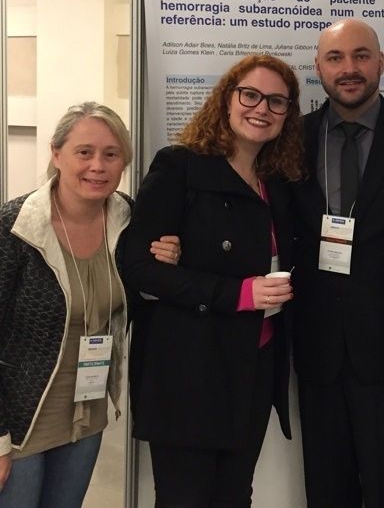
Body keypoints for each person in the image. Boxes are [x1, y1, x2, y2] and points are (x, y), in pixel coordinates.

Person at [121, 54, 304, 507]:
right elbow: (137, 266)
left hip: (254, 364)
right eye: (250, 95)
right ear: (226, 99)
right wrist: (237, 293)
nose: (261, 109)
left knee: (235, 496)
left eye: (276, 101)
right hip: (190, 370)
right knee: (184, 498)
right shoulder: (179, 166)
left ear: (287, 114)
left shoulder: (277, 180)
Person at [0, 102, 179, 508]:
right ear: (56, 153)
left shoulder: (128, 219)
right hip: (20, 422)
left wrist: (167, 259)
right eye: (84, 152)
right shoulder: (14, 226)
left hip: (87, 412)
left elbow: (139, 293)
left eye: (111, 154)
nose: (98, 166)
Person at [291, 19, 384, 507]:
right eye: (335, 58)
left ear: (382, 62)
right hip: (317, 347)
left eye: (361, 55)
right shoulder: (293, 138)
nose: (349, 68)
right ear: (318, 67)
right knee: (327, 491)